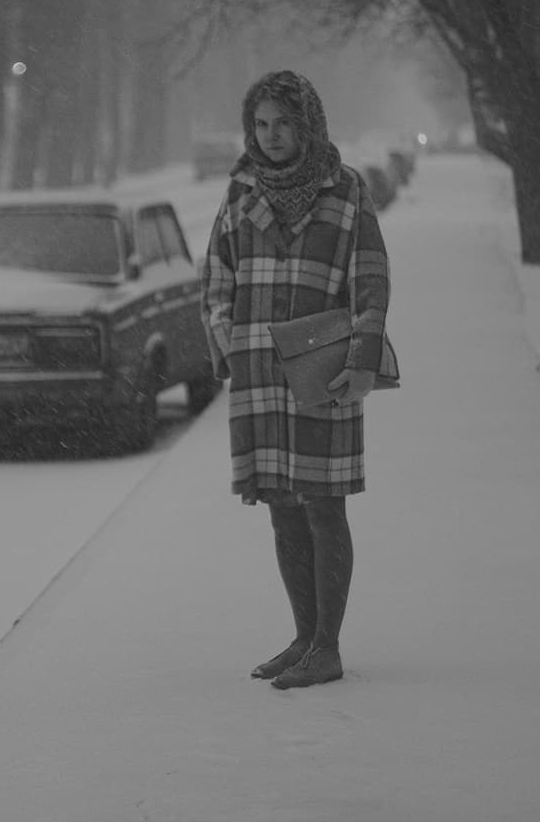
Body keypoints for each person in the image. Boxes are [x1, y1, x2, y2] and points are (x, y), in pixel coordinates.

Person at [199, 70, 391, 689]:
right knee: (282, 507)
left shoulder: (346, 190)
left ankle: (328, 648)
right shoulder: (239, 192)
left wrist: (362, 362)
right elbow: (217, 281)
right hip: (257, 372)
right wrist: (230, 342)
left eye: (284, 122)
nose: (272, 135)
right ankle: (304, 638)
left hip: (323, 371)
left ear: (307, 123)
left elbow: (370, 280)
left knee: (323, 506)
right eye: (261, 123)